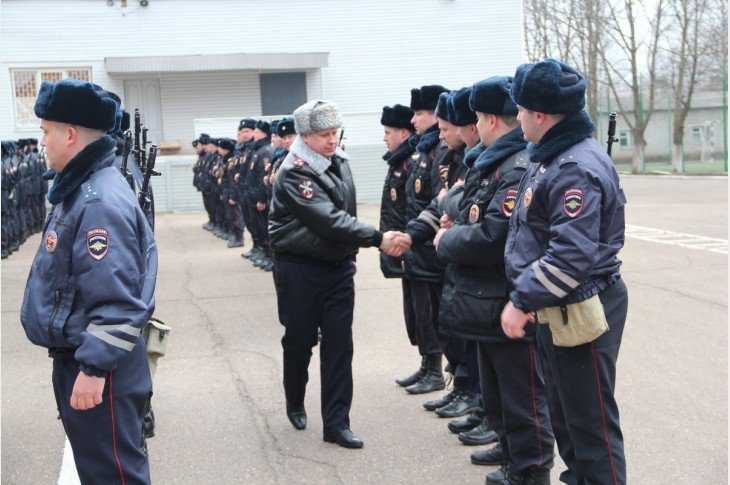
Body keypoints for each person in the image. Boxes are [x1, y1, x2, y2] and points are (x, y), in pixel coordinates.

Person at [20, 79, 156, 485]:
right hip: (83, 356)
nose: (42, 141)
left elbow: (118, 300)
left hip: (100, 365)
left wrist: (94, 369)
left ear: (70, 135)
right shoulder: (81, 187)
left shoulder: (97, 202)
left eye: (46, 131)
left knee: (113, 476)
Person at [502, 59, 629, 485]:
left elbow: (571, 256)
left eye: (521, 109)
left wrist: (521, 300)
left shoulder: (574, 166)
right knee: (568, 421)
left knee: (590, 427)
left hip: (582, 306)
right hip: (559, 307)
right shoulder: (553, 155)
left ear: (540, 115)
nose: (518, 117)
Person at [269, 100, 402, 449]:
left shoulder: (338, 160)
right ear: (305, 136)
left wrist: (351, 251)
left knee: (340, 346)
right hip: (299, 269)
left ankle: (337, 423)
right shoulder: (294, 171)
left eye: (335, 132)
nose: (332, 140)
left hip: (338, 268)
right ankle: (295, 400)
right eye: (323, 135)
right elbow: (328, 219)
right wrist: (377, 238)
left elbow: (344, 214)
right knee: (300, 341)